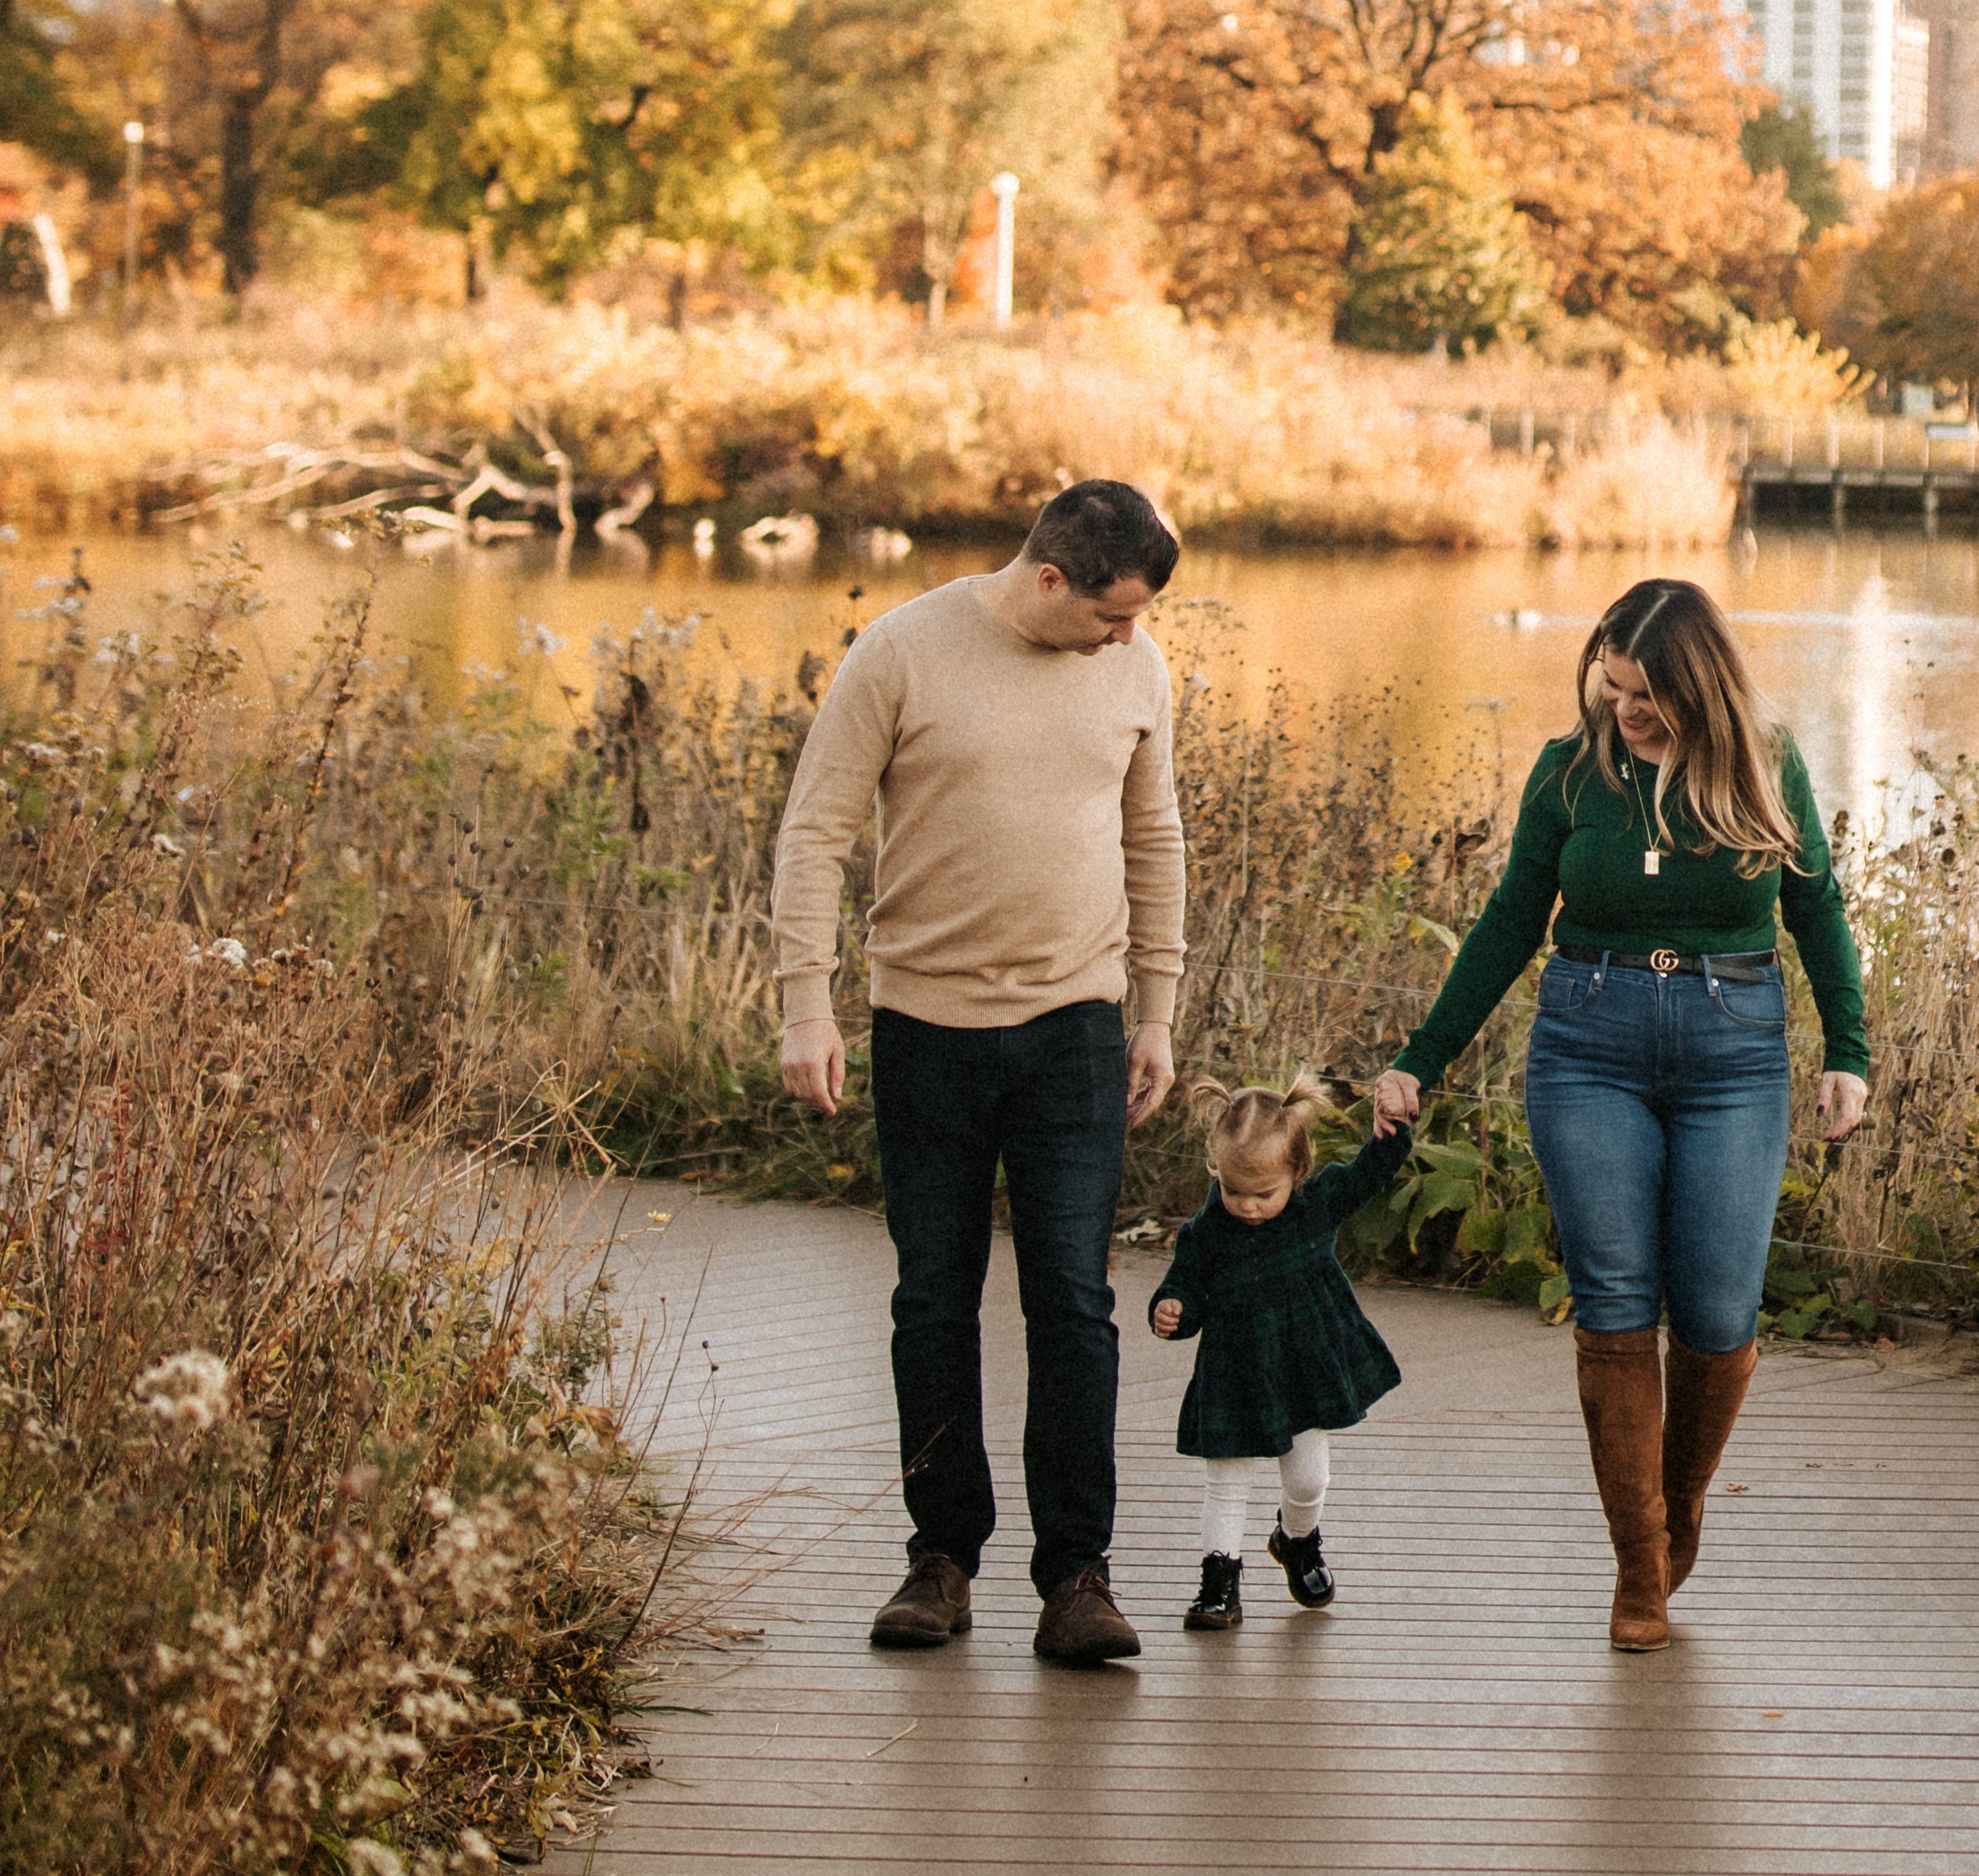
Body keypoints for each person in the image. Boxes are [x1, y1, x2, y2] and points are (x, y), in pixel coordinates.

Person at [1369, 575, 1871, 1650]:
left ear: (1700, 688)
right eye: (1611, 687)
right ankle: (1637, 1562)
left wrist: (1849, 1052)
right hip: (1584, 1041)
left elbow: (1815, 908)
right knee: (1612, 1294)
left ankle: (1676, 1499)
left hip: (1732, 1048)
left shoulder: (1763, 764)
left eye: (1644, 695)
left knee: (1719, 1305)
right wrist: (1421, 1057)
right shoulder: (1568, 773)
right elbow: (1510, 919)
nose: (1622, 711)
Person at [772, 475, 1185, 1671]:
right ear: (1047, 577)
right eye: (1110, 612)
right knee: (930, 1299)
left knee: (1071, 1304)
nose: (1128, 635)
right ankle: (940, 1557)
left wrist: (1152, 1009)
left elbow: (1152, 835)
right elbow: (815, 830)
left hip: (1075, 1031)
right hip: (926, 1029)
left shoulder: (1135, 664)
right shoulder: (901, 651)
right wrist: (808, 1002)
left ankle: (1075, 1578)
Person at [1149, 1081, 1417, 1630]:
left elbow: (1371, 1172)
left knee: (1308, 1480)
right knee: (1225, 1480)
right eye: (1233, 1190)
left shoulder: (1315, 1206)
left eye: (1263, 1193)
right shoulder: (1206, 1232)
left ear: (1297, 1174)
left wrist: (1392, 1128)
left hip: (1302, 1367)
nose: (1247, 1205)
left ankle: (1296, 1541)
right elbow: (1186, 1286)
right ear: (1216, 1171)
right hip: (1233, 1370)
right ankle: (1218, 1583)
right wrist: (1172, 1307)